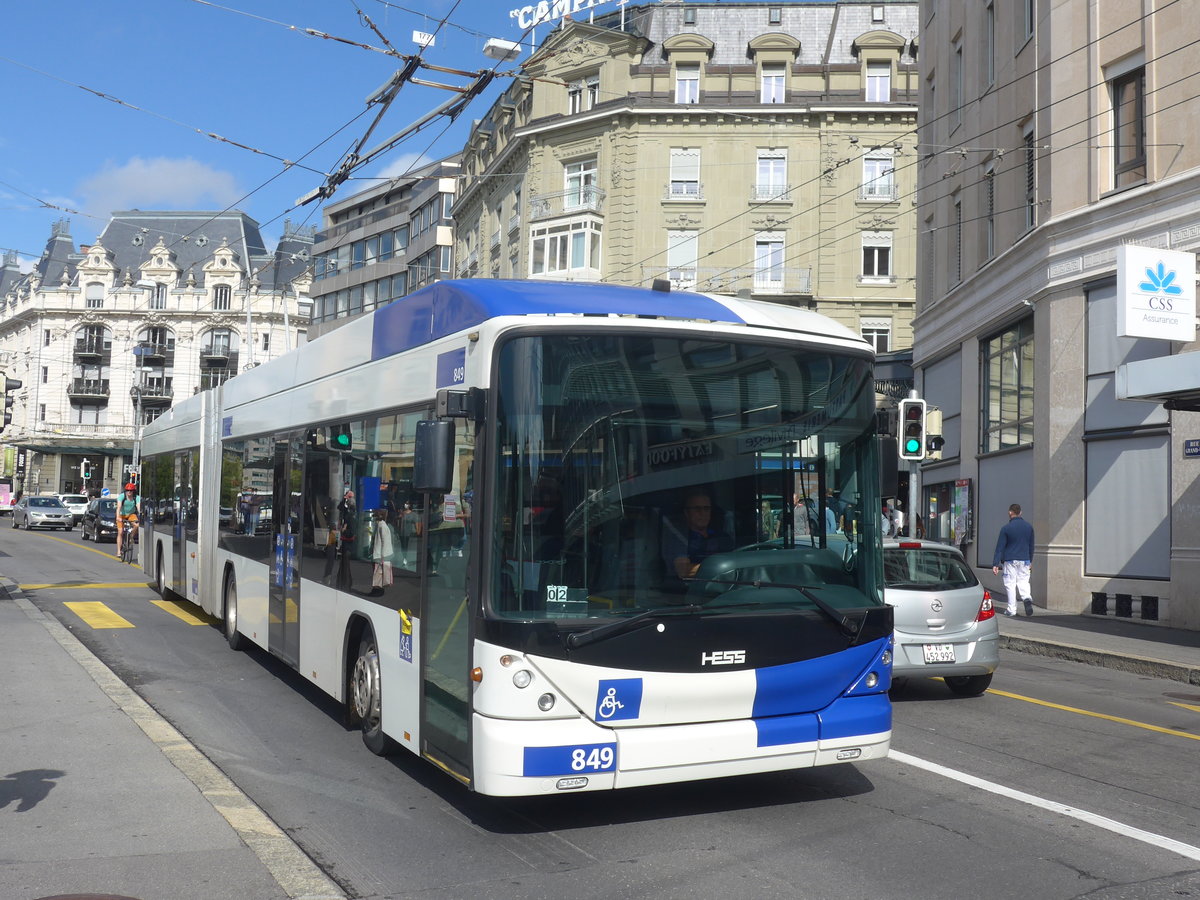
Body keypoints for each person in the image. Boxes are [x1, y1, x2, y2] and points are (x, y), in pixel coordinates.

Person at [661, 488, 733, 588]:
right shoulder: (678, 538)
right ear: (686, 513)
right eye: (697, 509)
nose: (702, 513)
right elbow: (684, 570)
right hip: (691, 594)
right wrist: (723, 568)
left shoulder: (722, 537)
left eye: (706, 508)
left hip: (726, 593)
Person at [992, 503, 1035, 617]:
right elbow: (1031, 546)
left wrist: (995, 563)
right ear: (1020, 513)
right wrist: (1030, 560)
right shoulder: (1029, 527)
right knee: (1023, 581)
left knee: (1010, 584)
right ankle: (1026, 598)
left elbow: (1000, 547)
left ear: (1010, 513)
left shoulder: (1006, 528)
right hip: (1025, 559)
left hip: (1010, 560)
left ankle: (1012, 609)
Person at [369, 509, 394, 596]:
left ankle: (377, 590)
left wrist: (383, 556)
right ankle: (377, 589)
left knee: (378, 573)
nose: (373, 520)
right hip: (380, 554)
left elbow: (384, 541)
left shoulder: (381, 526)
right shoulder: (382, 525)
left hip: (380, 554)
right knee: (378, 573)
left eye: (374, 517)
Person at [116, 482, 140, 559]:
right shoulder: (121, 497)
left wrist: (141, 516)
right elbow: (119, 507)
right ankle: (119, 551)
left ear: (133, 491)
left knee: (137, 525)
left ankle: (131, 537)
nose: (129, 492)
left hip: (131, 514)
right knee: (120, 532)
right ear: (125, 491)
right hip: (121, 515)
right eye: (127, 490)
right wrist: (118, 517)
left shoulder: (136, 498)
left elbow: (138, 507)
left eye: (131, 491)